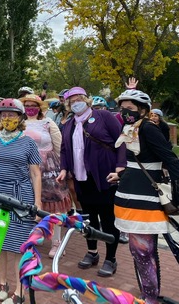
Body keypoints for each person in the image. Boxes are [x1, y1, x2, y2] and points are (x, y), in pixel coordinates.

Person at [111, 89, 179, 304]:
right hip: (129, 196)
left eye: (130, 108)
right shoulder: (130, 128)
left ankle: (150, 298)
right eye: (122, 108)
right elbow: (139, 161)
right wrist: (121, 174)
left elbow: (170, 159)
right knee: (140, 253)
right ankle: (149, 294)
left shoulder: (148, 128)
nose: (125, 112)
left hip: (144, 200)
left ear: (142, 110)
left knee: (143, 253)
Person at [0, 98, 42, 304]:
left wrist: (38, 202)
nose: (7, 118)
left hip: (19, 197)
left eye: (11, 115)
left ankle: (20, 288)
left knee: (19, 244)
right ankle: (2, 282)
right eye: (3, 115)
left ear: (20, 117)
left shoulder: (28, 143)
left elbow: (35, 173)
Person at [57, 86, 125, 277]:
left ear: (86, 100)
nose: (75, 103)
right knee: (88, 219)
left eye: (79, 99)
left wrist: (121, 166)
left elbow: (121, 141)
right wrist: (64, 168)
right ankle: (92, 252)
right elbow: (64, 149)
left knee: (108, 220)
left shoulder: (104, 116)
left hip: (104, 177)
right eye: (72, 101)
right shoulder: (69, 124)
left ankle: (110, 258)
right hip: (82, 179)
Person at [21, 93, 70, 257]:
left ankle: (57, 242)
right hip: (25, 168)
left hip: (48, 169)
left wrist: (64, 168)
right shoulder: (19, 124)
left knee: (53, 205)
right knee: (29, 203)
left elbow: (59, 146)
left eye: (33, 105)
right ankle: (35, 236)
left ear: (39, 108)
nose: (30, 108)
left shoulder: (48, 123)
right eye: (27, 106)